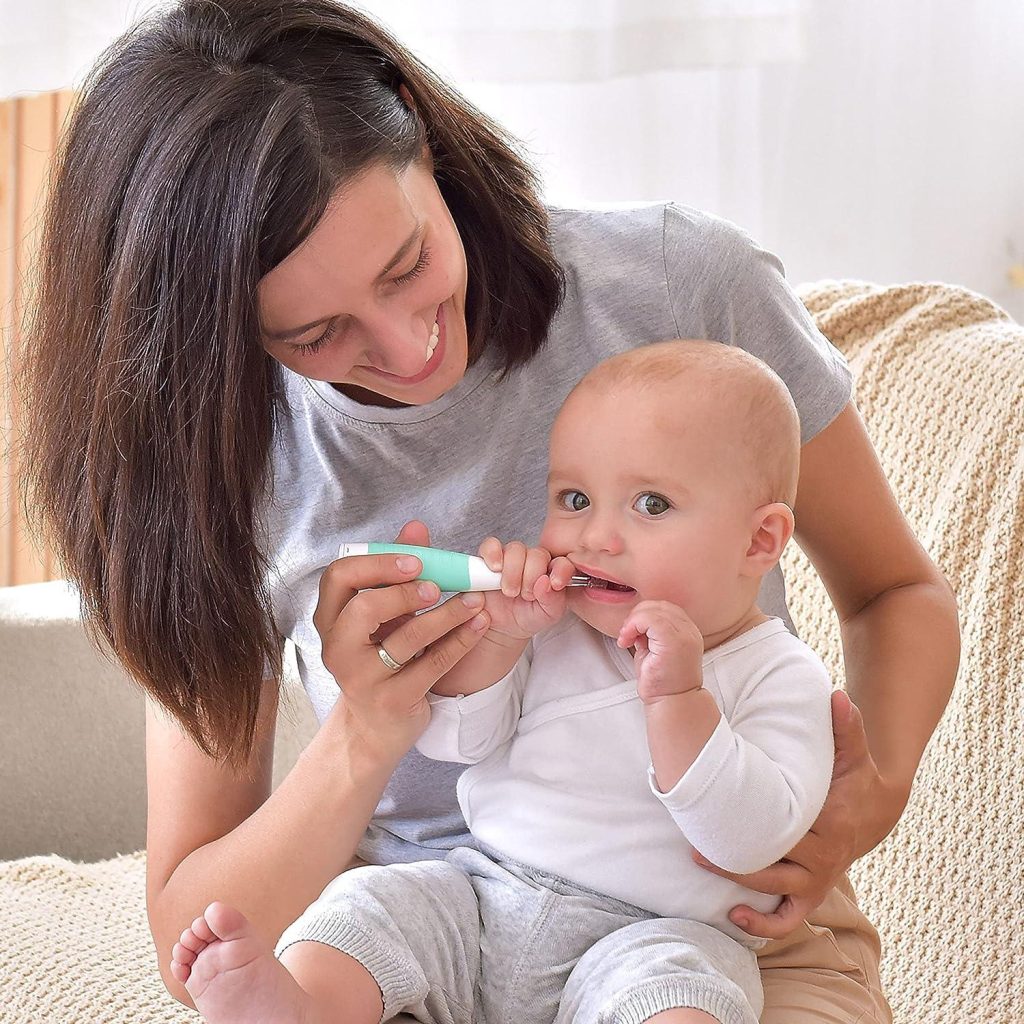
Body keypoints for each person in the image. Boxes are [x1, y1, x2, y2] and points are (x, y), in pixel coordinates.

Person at [17, 1, 959, 1022]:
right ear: (222, 338)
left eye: (408, 263)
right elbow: (193, 933)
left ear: (422, 140)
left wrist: (877, 790)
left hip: (716, 934)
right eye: (320, 331)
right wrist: (364, 735)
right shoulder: (221, 466)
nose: (409, 346)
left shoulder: (682, 291)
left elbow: (894, 589)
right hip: (428, 937)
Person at [170, 339, 837, 1024]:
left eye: (653, 505)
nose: (596, 538)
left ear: (759, 541)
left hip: (653, 934)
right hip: (484, 896)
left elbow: (750, 840)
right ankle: (303, 1007)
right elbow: (459, 742)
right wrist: (500, 637)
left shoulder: (784, 677)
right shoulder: (557, 632)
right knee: (372, 909)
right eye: (575, 498)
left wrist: (679, 701)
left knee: (688, 998)